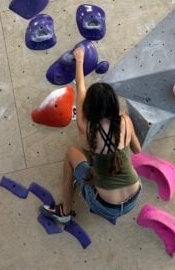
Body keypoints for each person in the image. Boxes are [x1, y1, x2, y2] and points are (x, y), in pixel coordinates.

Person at [41, 46, 142, 223]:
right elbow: (137, 150)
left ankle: (65, 211)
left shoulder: (85, 128)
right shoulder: (125, 120)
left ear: (90, 108)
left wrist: (79, 60)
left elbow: (80, 88)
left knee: (71, 153)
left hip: (103, 204)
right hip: (134, 199)